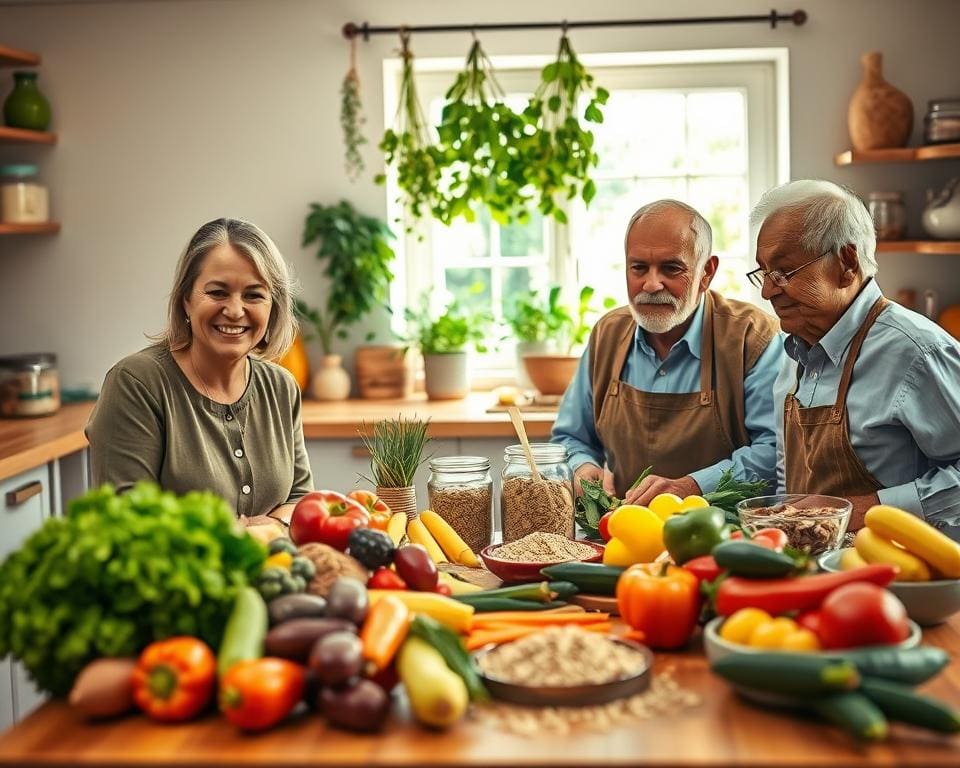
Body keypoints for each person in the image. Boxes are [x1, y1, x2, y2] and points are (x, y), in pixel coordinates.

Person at [751, 180, 960, 537]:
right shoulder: (794, 352)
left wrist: (862, 511)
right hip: (808, 574)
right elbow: (790, 481)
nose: (769, 290)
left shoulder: (917, 351)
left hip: (898, 581)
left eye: (784, 272)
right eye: (764, 273)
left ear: (846, 263)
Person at [552, 199, 785, 506]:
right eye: (638, 268)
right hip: (624, 530)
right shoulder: (607, 334)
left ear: (707, 272)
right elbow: (571, 438)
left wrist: (692, 486)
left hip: (723, 534)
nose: (650, 284)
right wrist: (582, 467)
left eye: (671, 268)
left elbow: (774, 450)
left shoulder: (752, 337)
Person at [86, 218, 313, 527]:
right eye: (218, 292)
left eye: (254, 295)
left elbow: (300, 499)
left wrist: (269, 529)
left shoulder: (281, 386)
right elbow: (127, 520)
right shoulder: (136, 383)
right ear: (186, 300)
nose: (235, 310)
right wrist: (242, 536)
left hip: (275, 572)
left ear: (274, 306)